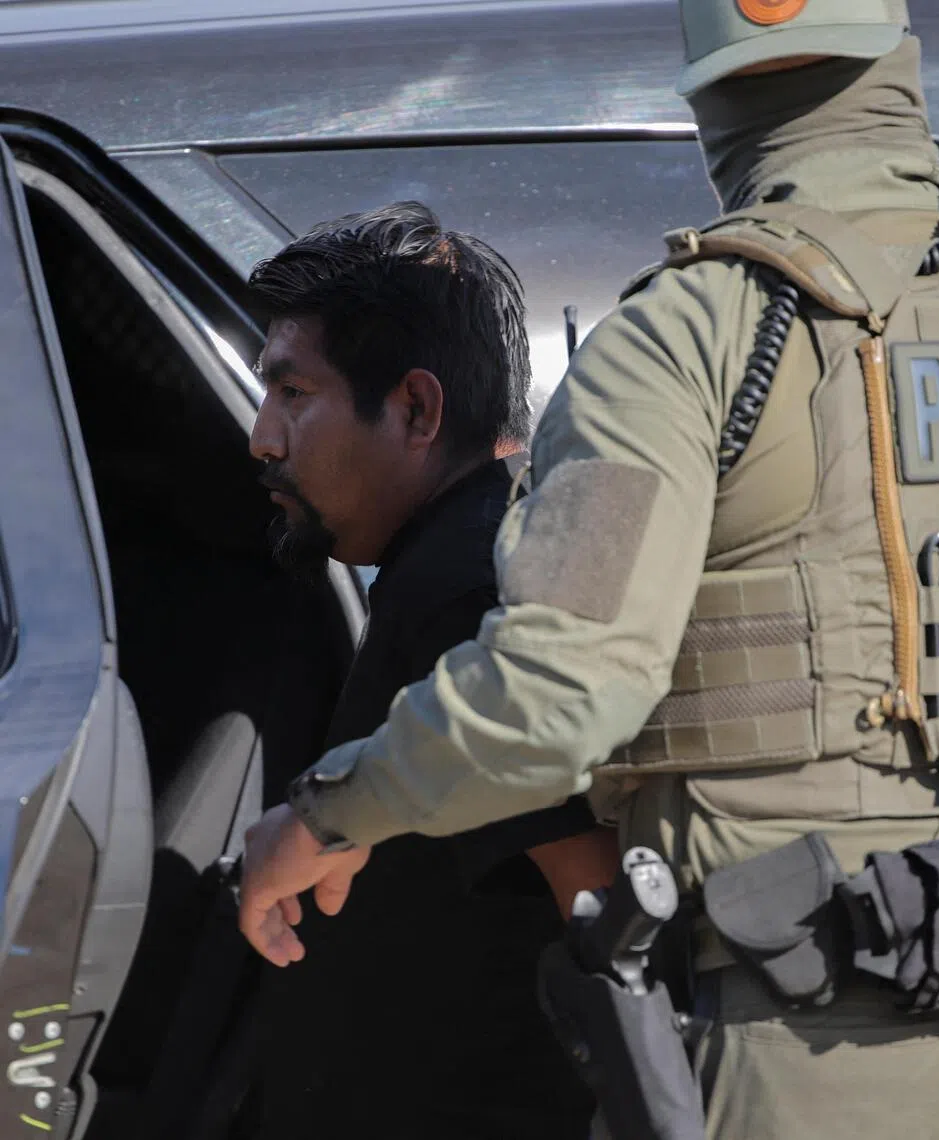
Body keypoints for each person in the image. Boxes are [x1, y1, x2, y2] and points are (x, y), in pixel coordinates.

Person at [240, 5, 939, 1138]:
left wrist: (325, 816)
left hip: (798, 1029)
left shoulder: (691, 337)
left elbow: (556, 695)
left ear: (708, 85)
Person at [242, 202, 603, 1139]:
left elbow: (599, 908)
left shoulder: (466, 587)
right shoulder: (447, 560)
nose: (262, 438)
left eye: (293, 394)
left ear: (414, 409)